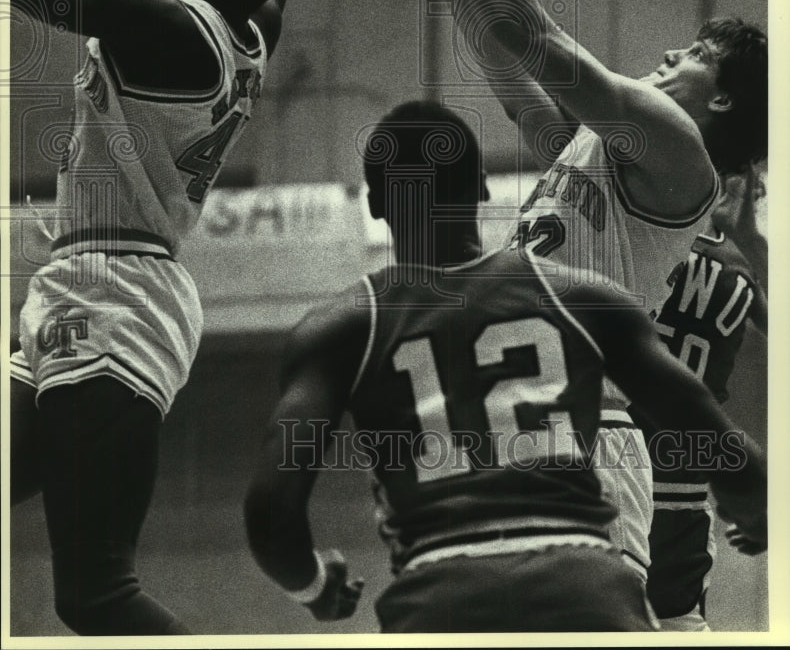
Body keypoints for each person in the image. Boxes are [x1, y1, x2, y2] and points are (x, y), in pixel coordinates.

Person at [358, 0, 768, 582]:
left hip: (593, 425)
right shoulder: (609, 157)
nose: (666, 58)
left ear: (719, 97)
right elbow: (517, 84)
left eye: (689, 56)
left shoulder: (676, 149)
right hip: (534, 414)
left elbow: (538, 39)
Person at [8, 0, 339, 635]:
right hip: (87, 280)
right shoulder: (248, 31)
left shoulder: (165, 23)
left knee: (95, 594)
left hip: (118, 296)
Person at [243, 101, 766, 633]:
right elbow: (720, 443)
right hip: (582, 585)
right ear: (481, 188)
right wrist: (754, 504)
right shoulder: (579, 297)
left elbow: (270, 513)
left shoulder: (338, 328)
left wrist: (312, 584)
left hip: (442, 595)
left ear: (376, 203)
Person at [634, 178, 768, 631]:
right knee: (680, 624)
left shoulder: (636, 236)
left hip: (616, 465)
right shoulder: (740, 266)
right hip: (685, 488)